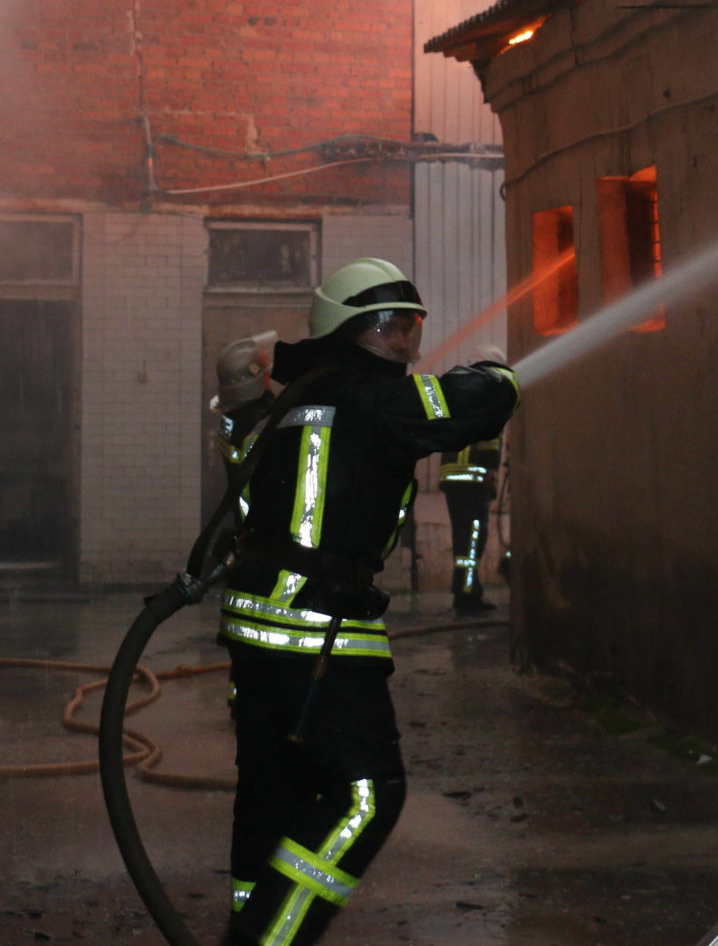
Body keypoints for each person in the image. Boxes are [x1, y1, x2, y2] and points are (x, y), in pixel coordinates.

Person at [220, 258, 519, 945]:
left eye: (411, 327)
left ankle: (251, 918)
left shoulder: (290, 403)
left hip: (256, 631)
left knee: (274, 795)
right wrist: (500, 372)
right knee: (366, 795)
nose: (406, 342)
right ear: (345, 332)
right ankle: (267, 941)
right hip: (314, 631)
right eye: (387, 327)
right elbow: (472, 402)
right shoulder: (369, 400)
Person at [438, 347, 505, 615]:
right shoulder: (486, 400)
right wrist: (490, 471)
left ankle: (465, 592)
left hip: (454, 480)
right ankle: (468, 597)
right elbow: (488, 440)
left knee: (463, 539)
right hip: (473, 481)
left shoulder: (460, 397)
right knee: (473, 540)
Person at [210, 331, 279, 526]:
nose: (268, 374)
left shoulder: (231, 418)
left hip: (245, 520)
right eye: (264, 372)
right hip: (264, 522)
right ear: (251, 380)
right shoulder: (260, 421)